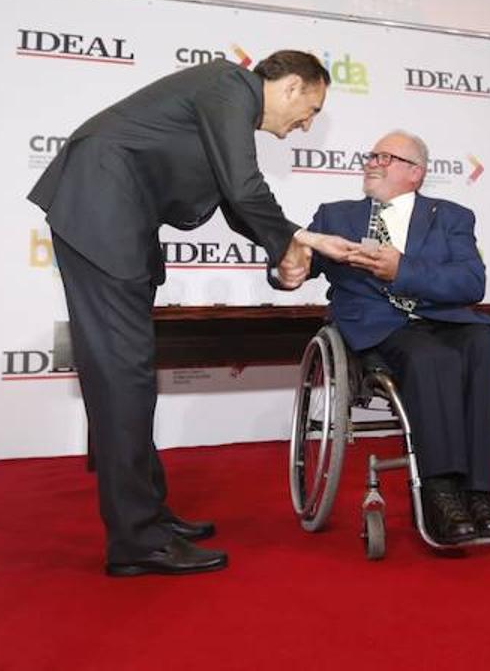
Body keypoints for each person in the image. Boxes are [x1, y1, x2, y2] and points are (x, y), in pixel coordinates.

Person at [28, 50, 357, 576]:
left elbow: (234, 197)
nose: (306, 124)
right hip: (100, 213)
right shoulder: (229, 85)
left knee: (131, 375)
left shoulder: (224, 101)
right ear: (292, 86)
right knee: (122, 377)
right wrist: (294, 241)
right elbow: (244, 188)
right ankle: (136, 541)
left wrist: (285, 246)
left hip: (112, 219)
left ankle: (149, 516)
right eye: (311, 108)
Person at [302, 130, 490, 545]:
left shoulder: (451, 217)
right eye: (371, 155)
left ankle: (482, 491)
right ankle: (440, 490)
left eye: (385, 157)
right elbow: (296, 267)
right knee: (432, 357)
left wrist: (403, 269)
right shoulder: (335, 216)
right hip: (379, 326)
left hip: (443, 319)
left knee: (483, 344)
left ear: (415, 173)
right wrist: (287, 267)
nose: (372, 162)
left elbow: (471, 283)